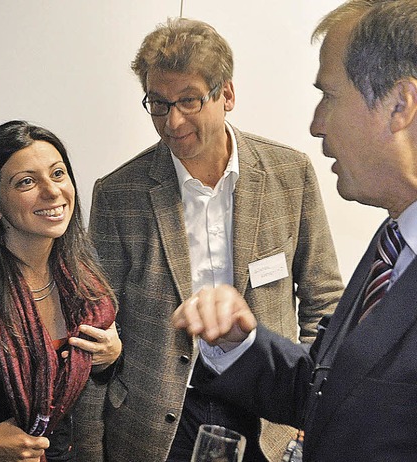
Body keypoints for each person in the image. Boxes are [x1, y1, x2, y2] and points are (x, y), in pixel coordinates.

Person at [81, 18, 345, 462]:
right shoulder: (118, 194)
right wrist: (87, 450)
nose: (172, 121)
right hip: (156, 418)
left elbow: (323, 300)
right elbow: (96, 328)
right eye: (159, 104)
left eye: (188, 101)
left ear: (227, 95)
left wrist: (318, 405)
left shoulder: (289, 173)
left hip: (266, 410)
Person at [171, 1, 417, 460]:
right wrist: (241, 343)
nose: (316, 124)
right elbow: (327, 391)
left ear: (398, 106)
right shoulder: (392, 243)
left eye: (329, 95)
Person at [0, 120, 122, 462]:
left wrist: (112, 356)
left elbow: (86, 376)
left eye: (58, 174)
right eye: (26, 182)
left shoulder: (86, 286)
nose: (52, 191)